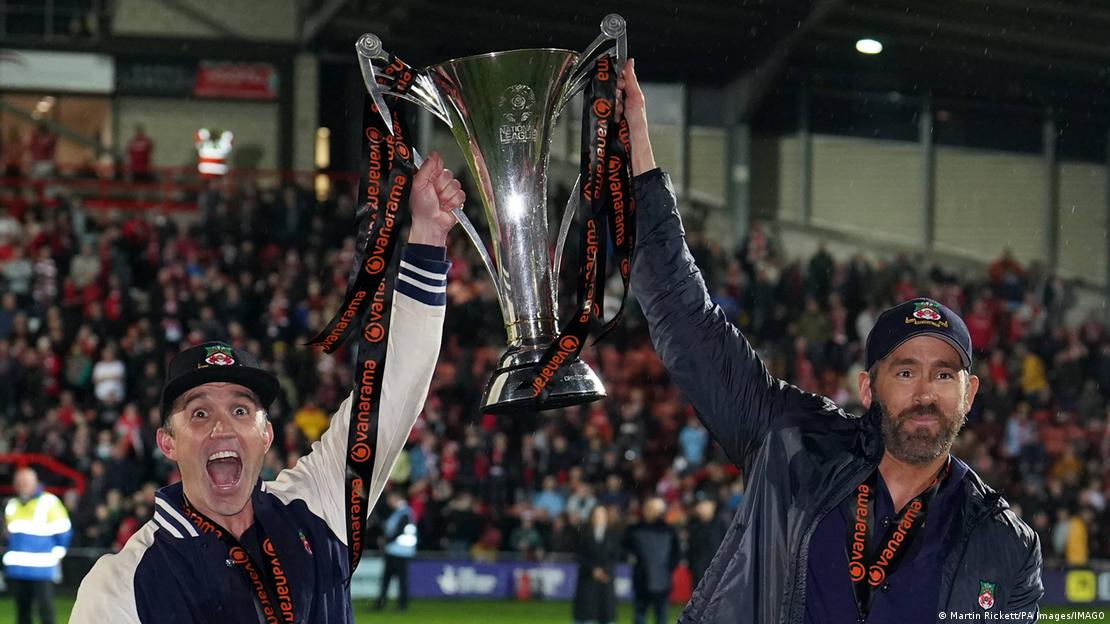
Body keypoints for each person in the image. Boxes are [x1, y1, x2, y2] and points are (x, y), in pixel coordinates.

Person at [620, 59, 1043, 623]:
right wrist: (637, 147)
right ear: (868, 387)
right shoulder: (791, 446)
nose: (925, 391)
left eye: (944, 374)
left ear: (969, 395)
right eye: (905, 370)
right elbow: (684, 317)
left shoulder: (1008, 547)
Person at [70, 151, 466, 623]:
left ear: (266, 435)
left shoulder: (316, 505)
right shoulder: (122, 584)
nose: (222, 426)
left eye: (242, 411)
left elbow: (394, 389)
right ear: (167, 443)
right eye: (199, 413)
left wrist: (428, 235)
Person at [3, 467, 72, 624]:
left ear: (35, 482)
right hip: (18, 569)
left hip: (42, 568)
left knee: (45, 611)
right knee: (22, 613)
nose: (22, 485)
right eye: (19, 482)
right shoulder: (12, 504)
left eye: (26, 481)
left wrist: (57, 555)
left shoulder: (49, 502)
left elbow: (64, 531)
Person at [623, 497, 679, 624]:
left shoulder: (669, 530)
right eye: (648, 508)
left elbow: (676, 554)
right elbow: (624, 549)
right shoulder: (634, 529)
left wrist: (667, 568)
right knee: (639, 615)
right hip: (642, 579)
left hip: (662, 579)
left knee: (661, 616)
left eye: (655, 509)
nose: (651, 512)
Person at [572, 505, 620, 624]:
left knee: (607, 614)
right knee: (584, 615)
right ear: (592, 517)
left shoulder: (613, 535)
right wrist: (593, 570)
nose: (599, 518)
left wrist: (605, 571)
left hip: (606, 580)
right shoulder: (583, 533)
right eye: (597, 515)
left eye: (602, 515)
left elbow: (615, 557)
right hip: (587, 579)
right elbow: (579, 555)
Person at [374, 491, 416, 611]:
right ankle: (383, 603)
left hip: (400, 551)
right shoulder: (400, 512)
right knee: (388, 579)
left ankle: (400, 604)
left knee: (397, 579)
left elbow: (399, 531)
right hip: (394, 550)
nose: (388, 502)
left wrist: (386, 541)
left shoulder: (404, 513)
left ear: (396, 498)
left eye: (390, 499)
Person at [685, 499, 726, 588]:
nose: (703, 508)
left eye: (705, 505)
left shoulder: (721, 525)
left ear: (713, 506)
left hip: (718, 573)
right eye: (700, 505)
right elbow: (690, 552)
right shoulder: (693, 526)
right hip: (699, 574)